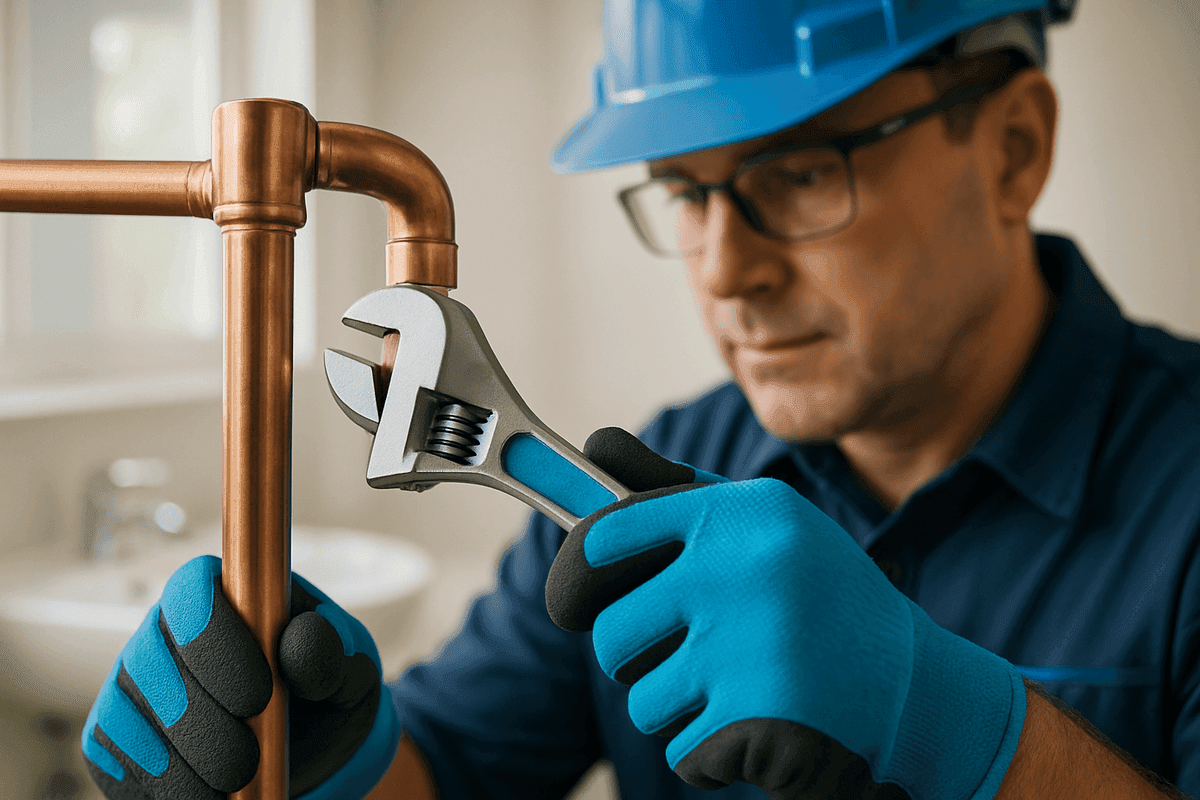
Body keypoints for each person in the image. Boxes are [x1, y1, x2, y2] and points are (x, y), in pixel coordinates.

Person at [80, 1, 1200, 799]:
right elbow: (449, 772)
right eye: (682, 192)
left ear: (1014, 150)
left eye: (802, 172)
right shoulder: (648, 484)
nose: (724, 269)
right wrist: (330, 754)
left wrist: (969, 734)